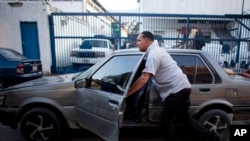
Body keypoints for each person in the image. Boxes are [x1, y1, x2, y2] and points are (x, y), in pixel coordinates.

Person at [127, 31, 219, 141]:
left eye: (139, 40)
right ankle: (212, 137)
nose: (136, 43)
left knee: (166, 120)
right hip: (180, 88)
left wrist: (126, 94)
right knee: (185, 119)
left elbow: (144, 79)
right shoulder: (155, 51)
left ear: (147, 41)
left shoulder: (154, 54)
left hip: (176, 91)